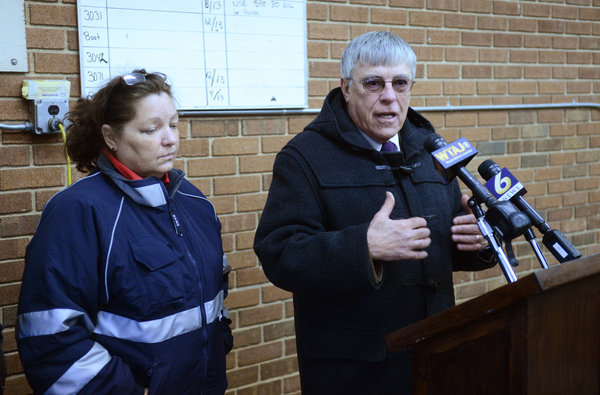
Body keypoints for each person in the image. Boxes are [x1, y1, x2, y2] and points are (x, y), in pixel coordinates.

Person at [253, 31, 497, 394]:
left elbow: (445, 241)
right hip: (356, 372)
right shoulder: (303, 157)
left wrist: (478, 241)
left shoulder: (430, 149)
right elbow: (280, 253)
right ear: (346, 88)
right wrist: (362, 247)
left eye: (400, 83)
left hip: (438, 352)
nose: (389, 97)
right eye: (373, 83)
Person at [16, 70, 233, 395]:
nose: (170, 139)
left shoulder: (195, 202)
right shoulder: (78, 212)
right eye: (151, 129)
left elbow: (216, 288)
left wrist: (220, 341)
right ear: (111, 137)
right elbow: (51, 338)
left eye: (173, 124)